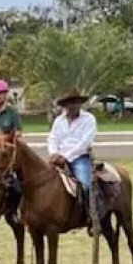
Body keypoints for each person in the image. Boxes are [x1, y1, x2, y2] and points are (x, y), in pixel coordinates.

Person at [47, 90, 98, 232]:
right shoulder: (59, 121)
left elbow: (85, 142)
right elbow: (52, 138)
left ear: (80, 104)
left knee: (86, 184)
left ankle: (91, 217)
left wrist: (66, 156)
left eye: (76, 102)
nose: (73, 106)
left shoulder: (89, 119)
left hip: (79, 157)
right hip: (58, 158)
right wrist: (54, 153)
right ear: (65, 105)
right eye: (70, 103)